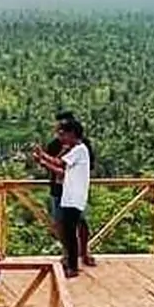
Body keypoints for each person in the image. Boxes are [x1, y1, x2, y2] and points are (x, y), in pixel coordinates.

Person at [33, 118, 92, 278]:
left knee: (71, 234)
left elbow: (59, 162)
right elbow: (61, 169)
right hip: (69, 196)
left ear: (72, 134)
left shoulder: (80, 150)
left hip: (74, 197)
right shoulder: (77, 150)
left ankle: (72, 267)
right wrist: (43, 161)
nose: (60, 138)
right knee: (68, 232)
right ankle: (70, 264)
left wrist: (42, 156)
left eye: (63, 134)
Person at [44, 110, 96, 267]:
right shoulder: (54, 145)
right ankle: (68, 254)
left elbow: (69, 166)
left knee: (81, 222)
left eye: (64, 129)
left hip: (75, 192)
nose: (60, 132)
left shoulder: (81, 146)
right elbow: (55, 167)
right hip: (59, 190)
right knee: (61, 224)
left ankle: (83, 252)